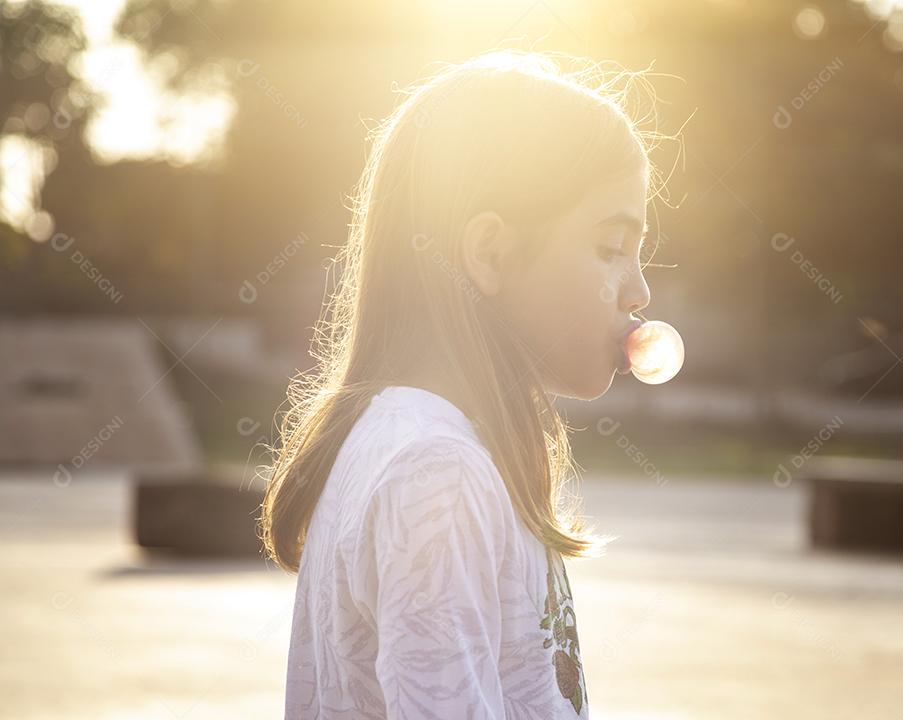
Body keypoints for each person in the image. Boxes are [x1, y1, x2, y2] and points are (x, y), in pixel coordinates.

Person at [260, 48, 670, 719]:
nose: (639, 289)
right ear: (491, 254)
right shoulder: (439, 475)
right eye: (609, 247)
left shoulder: (411, 443)